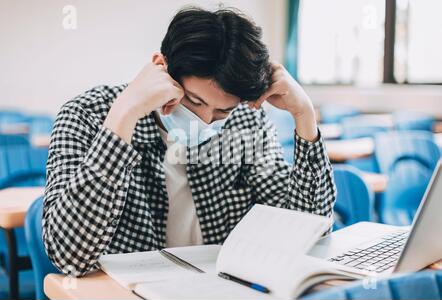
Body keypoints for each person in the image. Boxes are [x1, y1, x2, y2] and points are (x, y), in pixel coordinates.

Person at [42, 7, 336, 277]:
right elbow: (71, 257)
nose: (207, 120)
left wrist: (305, 117)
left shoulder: (246, 121)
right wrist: (124, 114)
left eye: (223, 110)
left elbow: (307, 234)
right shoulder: (86, 115)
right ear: (160, 66)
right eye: (194, 101)